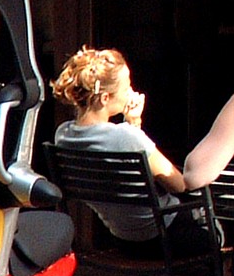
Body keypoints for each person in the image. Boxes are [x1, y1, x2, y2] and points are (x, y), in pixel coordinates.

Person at [51, 46, 216, 256]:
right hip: (166, 237)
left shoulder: (63, 136)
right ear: (104, 99)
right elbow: (179, 184)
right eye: (127, 87)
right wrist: (133, 130)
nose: (131, 92)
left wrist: (133, 124)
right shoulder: (127, 137)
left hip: (123, 241)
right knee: (215, 226)